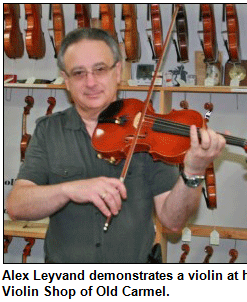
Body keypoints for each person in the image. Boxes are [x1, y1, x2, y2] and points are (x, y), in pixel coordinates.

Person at [6, 28, 226, 263]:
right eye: (79, 73)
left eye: (100, 69)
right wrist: (68, 189)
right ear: (66, 81)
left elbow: (173, 222)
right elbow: (17, 206)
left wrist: (193, 172)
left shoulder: (149, 133)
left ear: (117, 71)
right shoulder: (49, 130)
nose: (91, 82)